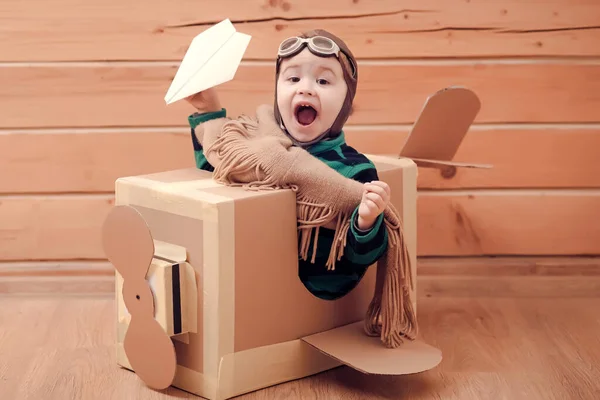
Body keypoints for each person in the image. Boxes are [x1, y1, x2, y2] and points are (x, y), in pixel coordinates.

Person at [185, 29, 390, 301]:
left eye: (323, 81)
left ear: (345, 103)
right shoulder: (257, 146)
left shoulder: (354, 171)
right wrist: (207, 111)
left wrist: (365, 222)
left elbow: (363, 257)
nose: (305, 88)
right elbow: (219, 172)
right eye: (293, 78)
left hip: (318, 296)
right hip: (256, 286)